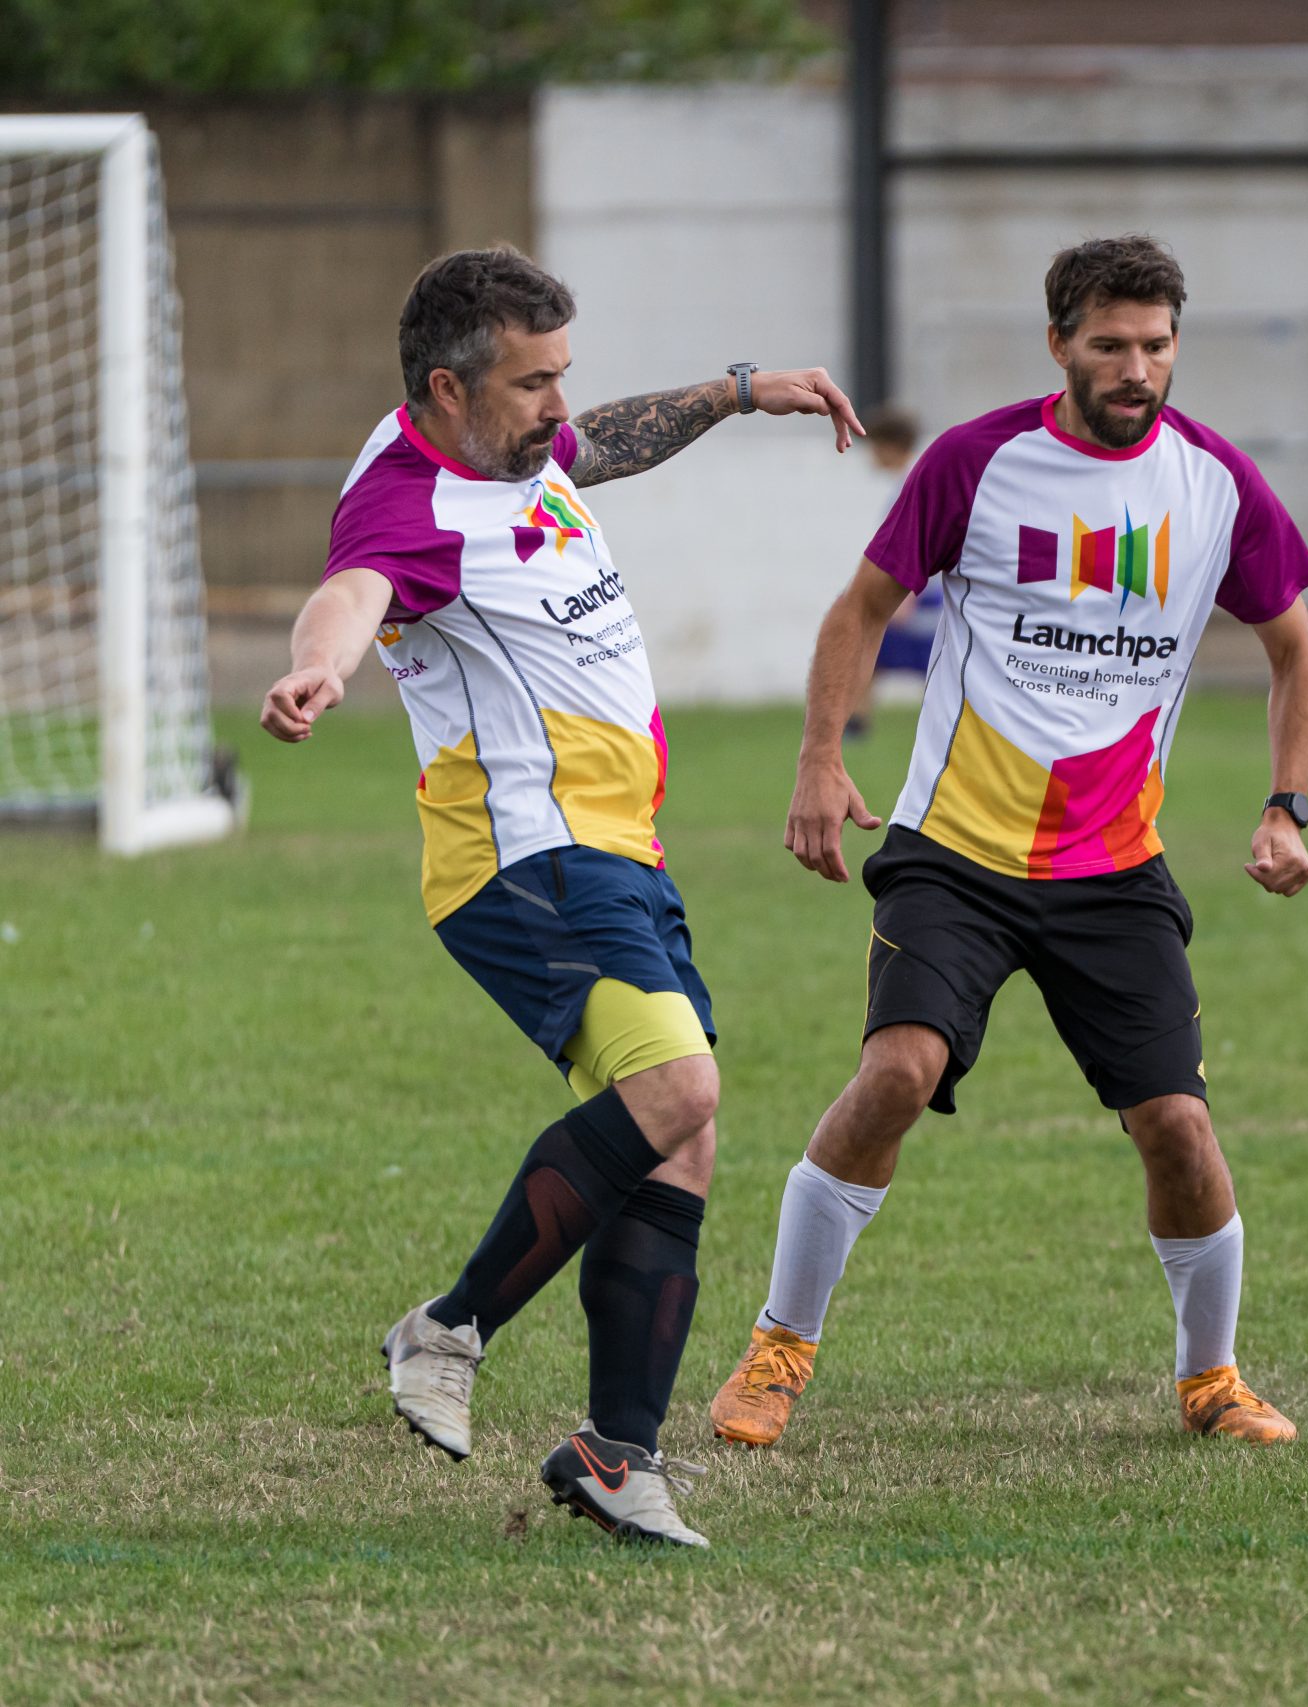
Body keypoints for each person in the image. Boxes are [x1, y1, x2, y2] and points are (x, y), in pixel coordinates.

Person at [257, 245, 861, 1547]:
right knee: (677, 1091)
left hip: (617, 850)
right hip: (522, 858)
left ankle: (615, 1454)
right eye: (534, 384)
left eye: (561, 376)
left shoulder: (515, 453)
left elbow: (610, 446)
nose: (558, 406)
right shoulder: (404, 501)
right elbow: (352, 590)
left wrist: (747, 390)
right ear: (445, 387)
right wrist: (319, 669)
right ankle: (451, 1324)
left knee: (680, 1140)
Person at [708, 233, 1308, 1450]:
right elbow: (861, 609)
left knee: (1180, 1130)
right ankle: (777, 1351)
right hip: (956, 855)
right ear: (1059, 345)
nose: (1137, 368)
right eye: (1110, 345)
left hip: (1115, 869)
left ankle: (1211, 1382)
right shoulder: (976, 462)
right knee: (897, 1073)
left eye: (1156, 345)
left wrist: (1283, 803)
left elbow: (1296, 652)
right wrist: (820, 761)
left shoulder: (1218, 486)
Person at [843, 404, 930, 737]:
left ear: (891, 447)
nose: (872, 456)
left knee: (871, 650)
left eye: (875, 447)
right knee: (871, 654)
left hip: (918, 595)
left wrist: (904, 595)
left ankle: (858, 723)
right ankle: (857, 722)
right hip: (918, 593)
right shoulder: (913, 478)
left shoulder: (913, 482)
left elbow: (916, 543)